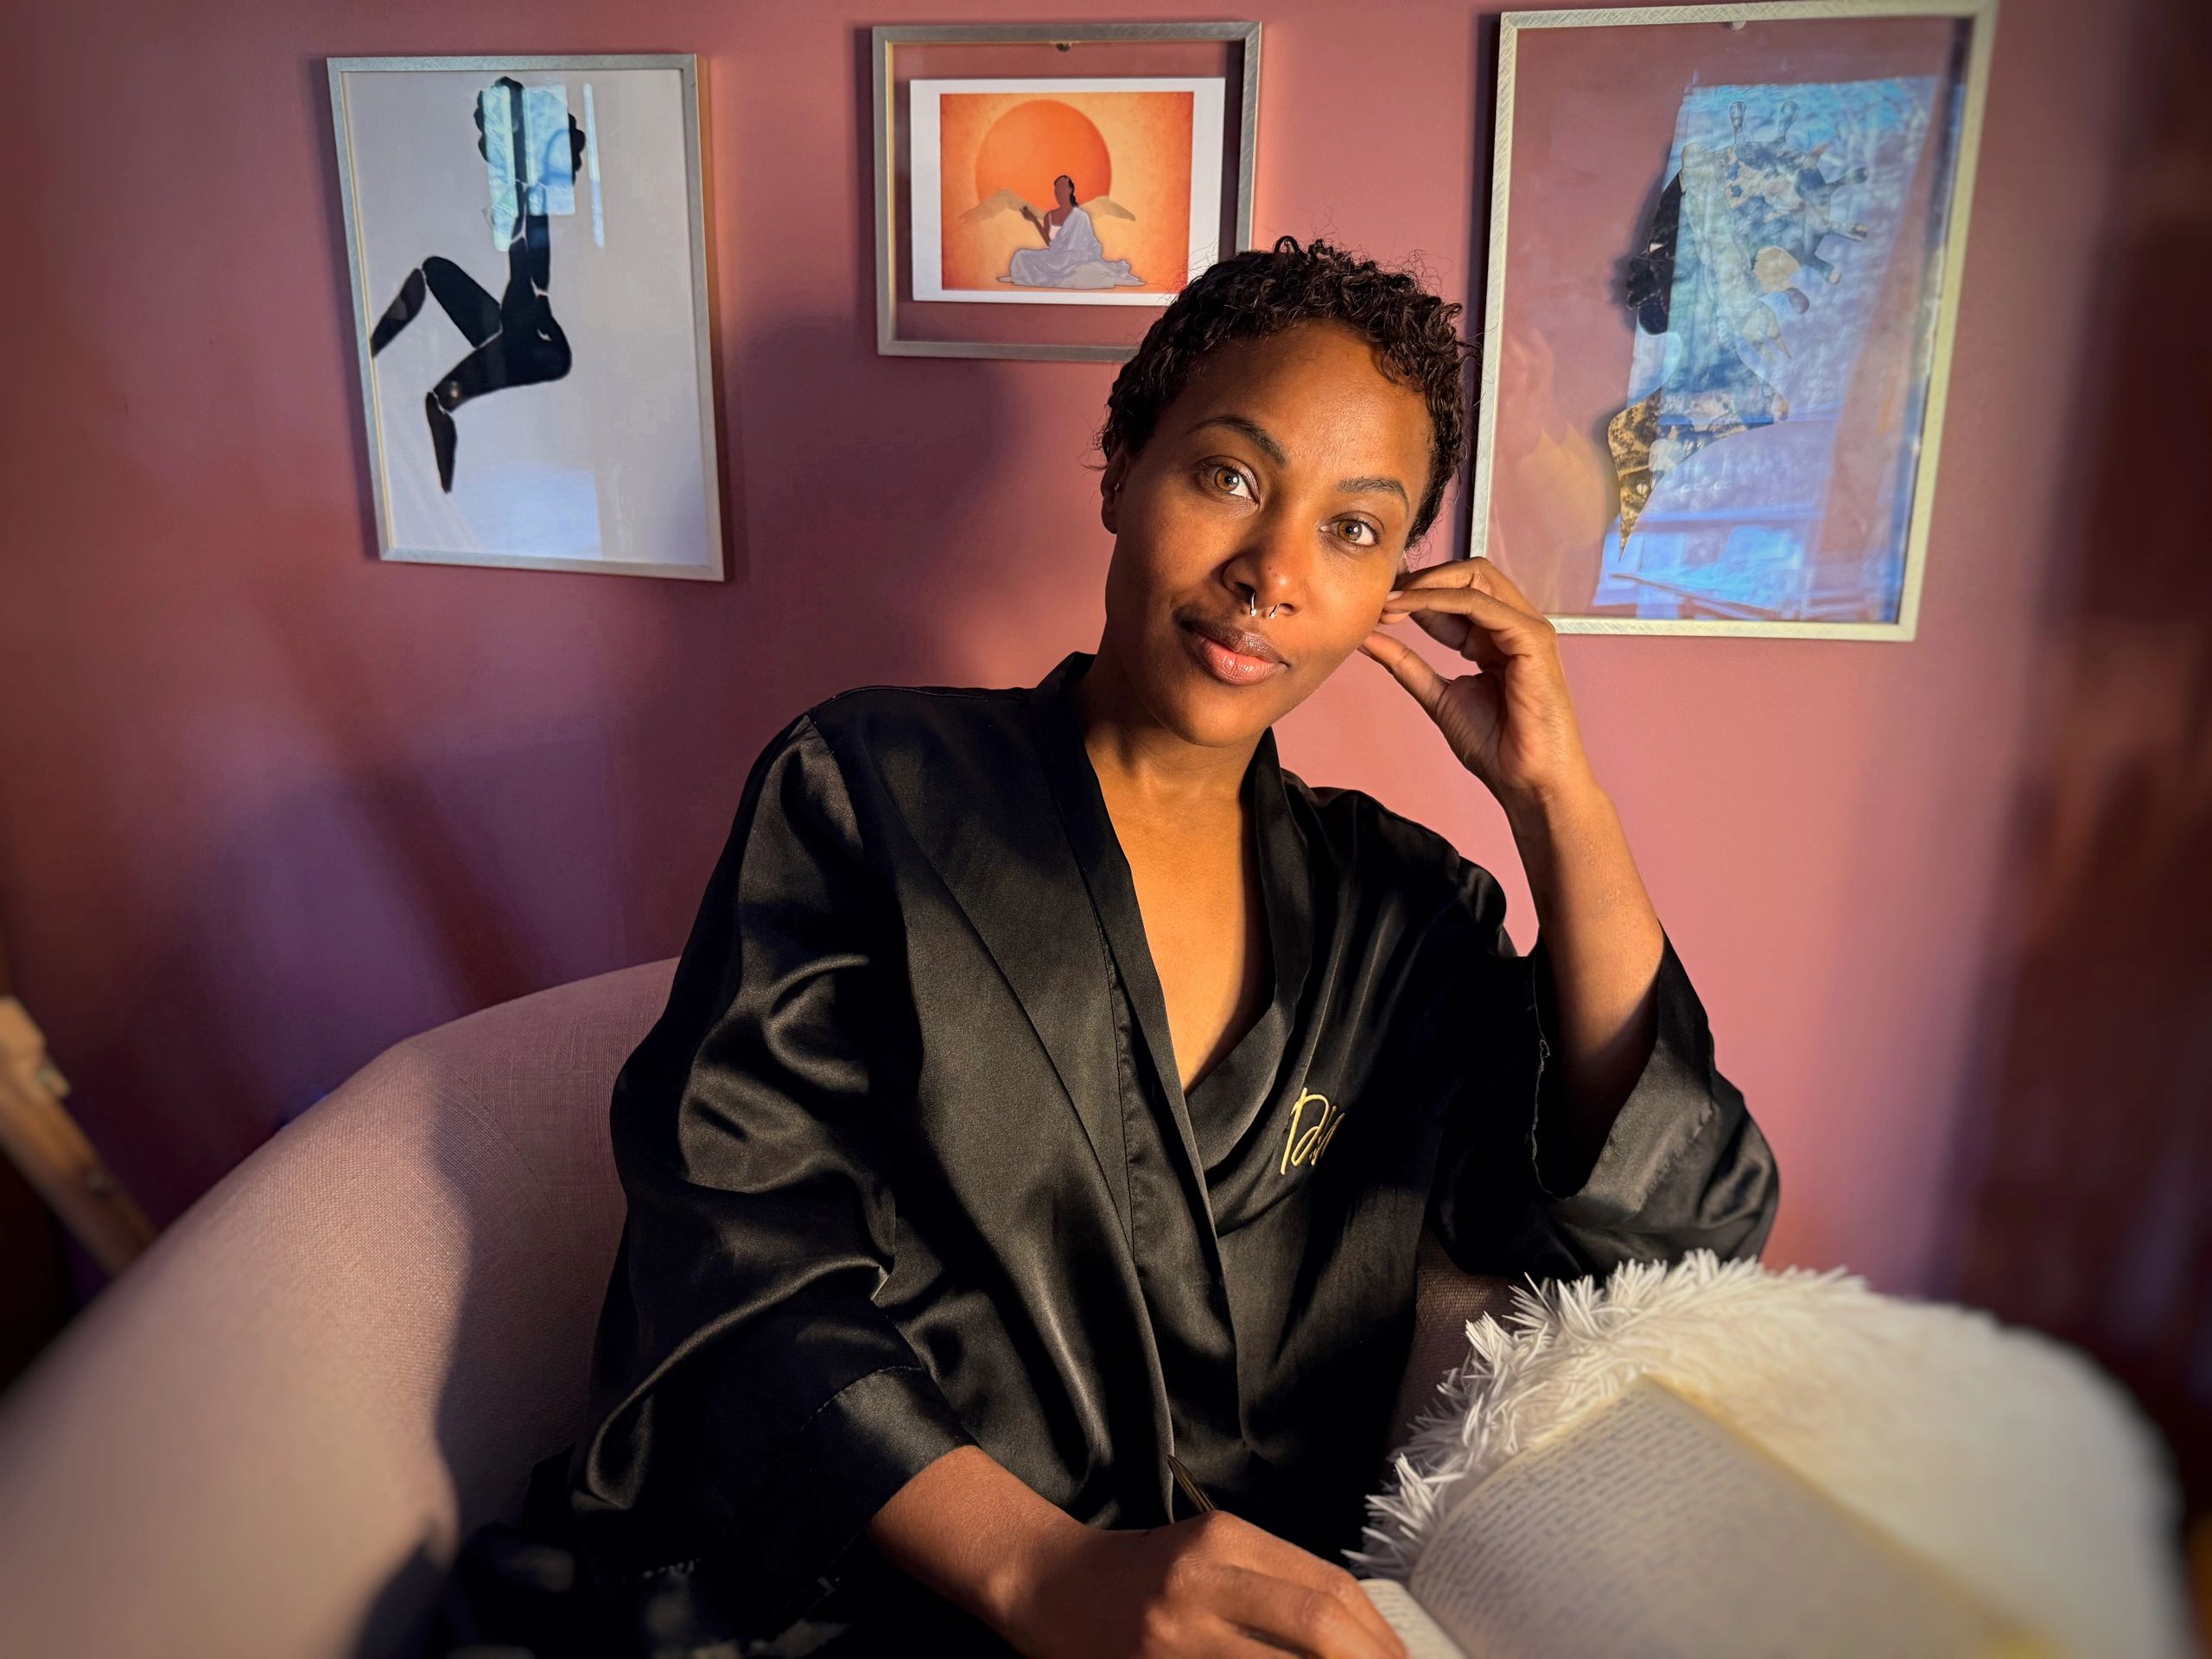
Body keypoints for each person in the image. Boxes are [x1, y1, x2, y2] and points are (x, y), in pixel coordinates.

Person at [503, 236, 1778, 1659]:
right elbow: (734, 1254)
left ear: (1395, 588)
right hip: (854, 1593)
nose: (1272, 573)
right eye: (1228, 477)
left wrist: (1558, 803)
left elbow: (1682, 1225)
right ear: (1121, 469)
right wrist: (1041, 1572)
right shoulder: (871, 787)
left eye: (1355, 531)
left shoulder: (1402, 914)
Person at [1006, 173, 1145, 289]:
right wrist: (1034, 221)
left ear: (1070, 190)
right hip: (1055, 258)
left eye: (1062, 188)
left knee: (1087, 271)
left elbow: (1089, 244)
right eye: (1056, 189)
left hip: (1074, 260)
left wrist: (1076, 255)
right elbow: (1050, 244)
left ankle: (1063, 273)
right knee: (1021, 255)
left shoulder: (1080, 217)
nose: (1058, 192)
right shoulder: (1050, 216)